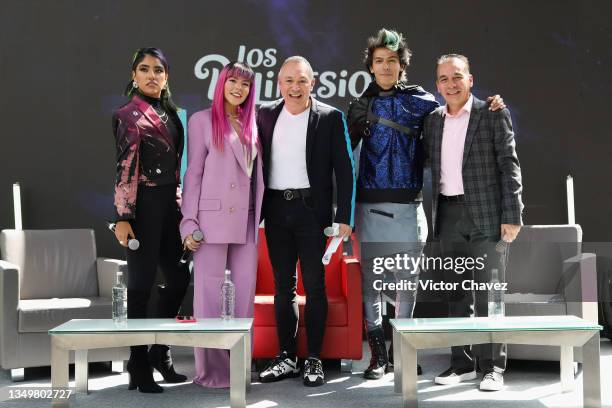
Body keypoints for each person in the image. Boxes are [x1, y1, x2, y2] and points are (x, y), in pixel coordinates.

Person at [347, 29, 504, 380]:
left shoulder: (422, 101)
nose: (386, 67)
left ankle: (403, 354)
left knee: (406, 286)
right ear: (370, 67)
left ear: (402, 64)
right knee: (371, 284)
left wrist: (489, 105)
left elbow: (458, 113)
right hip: (369, 208)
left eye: (392, 60)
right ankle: (378, 356)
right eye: (379, 61)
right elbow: (343, 161)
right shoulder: (359, 106)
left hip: (409, 209)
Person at [423, 54, 523, 391]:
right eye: (444, 79)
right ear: (437, 85)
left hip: (487, 216)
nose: (451, 84)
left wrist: (513, 215)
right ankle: (461, 364)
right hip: (447, 215)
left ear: (470, 79)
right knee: (455, 294)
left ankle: (494, 367)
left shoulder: (493, 114)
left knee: (489, 294)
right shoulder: (433, 121)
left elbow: (509, 166)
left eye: (457, 77)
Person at [256, 56, 355, 387]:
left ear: (312, 83)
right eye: (288, 81)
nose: (294, 88)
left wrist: (345, 218)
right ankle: (286, 356)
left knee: (314, 287)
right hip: (275, 211)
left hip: (312, 214)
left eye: (301, 81)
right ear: (279, 83)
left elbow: (345, 170)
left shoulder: (330, 117)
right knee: (282, 287)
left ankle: (314, 359)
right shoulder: (264, 114)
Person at [180, 61, 264, 388]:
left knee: (243, 300)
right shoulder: (201, 121)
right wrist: (188, 223)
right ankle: (213, 372)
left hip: (246, 222)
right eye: (233, 81)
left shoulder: (252, 123)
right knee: (209, 298)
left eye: (245, 84)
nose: (238, 88)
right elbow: (193, 174)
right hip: (209, 221)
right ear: (222, 82)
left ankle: (239, 367)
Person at [112, 47, 190, 393]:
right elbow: (125, 168)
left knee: (178, 276)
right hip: (141, 209)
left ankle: (160, 351)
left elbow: (178, 170)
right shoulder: (127, 115)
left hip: (170, 208)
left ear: (166, 76)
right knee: (140, 286)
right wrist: (122, 217)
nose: (151, 75)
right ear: (134, 75)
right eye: (144, 69)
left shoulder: (173, 114)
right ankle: (138, 363)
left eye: (158, 70)